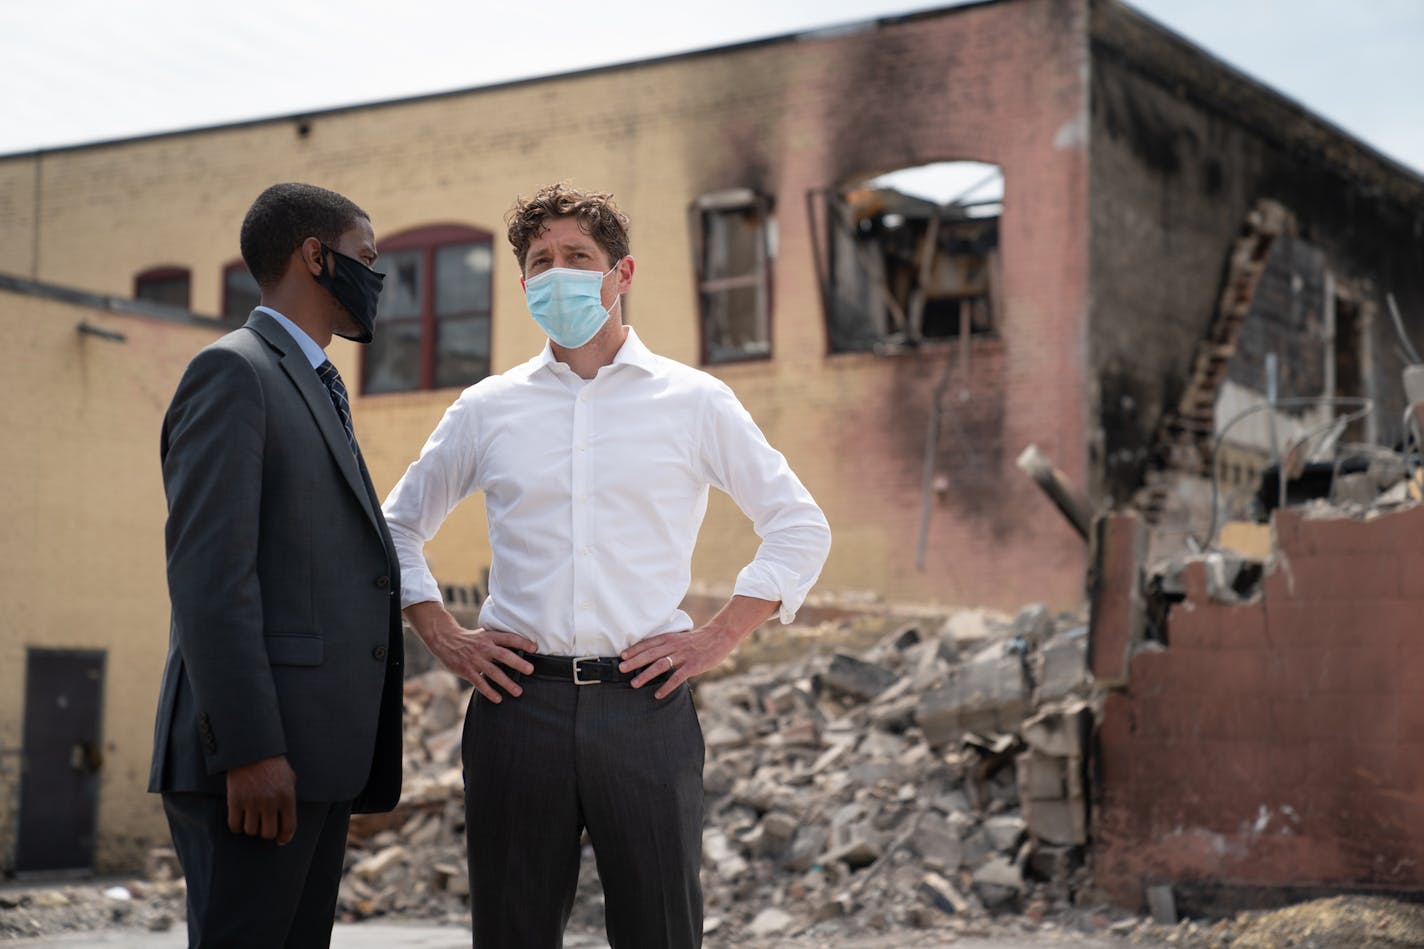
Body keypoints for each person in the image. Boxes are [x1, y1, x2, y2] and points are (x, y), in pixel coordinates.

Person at [382, 182, 832, 948]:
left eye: (578, 256)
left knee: (661, 931)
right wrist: (446, 636)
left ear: (621, 274)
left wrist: (714, 638)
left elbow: (799, 526)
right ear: (524, 286)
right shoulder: (487, 409)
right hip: (518, 705)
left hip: (645, 708)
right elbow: (392, 529)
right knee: (512, 932)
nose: (558, 273)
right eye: (541, 261)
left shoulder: (696, 402)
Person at [149, 182, 404, 948]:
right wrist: (253, 747)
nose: (377, 280)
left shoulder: (314, 384)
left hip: (311, 762)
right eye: (367, 258)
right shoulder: (234, 373)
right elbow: (209, 577)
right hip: (258, 765)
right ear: (314, 256)